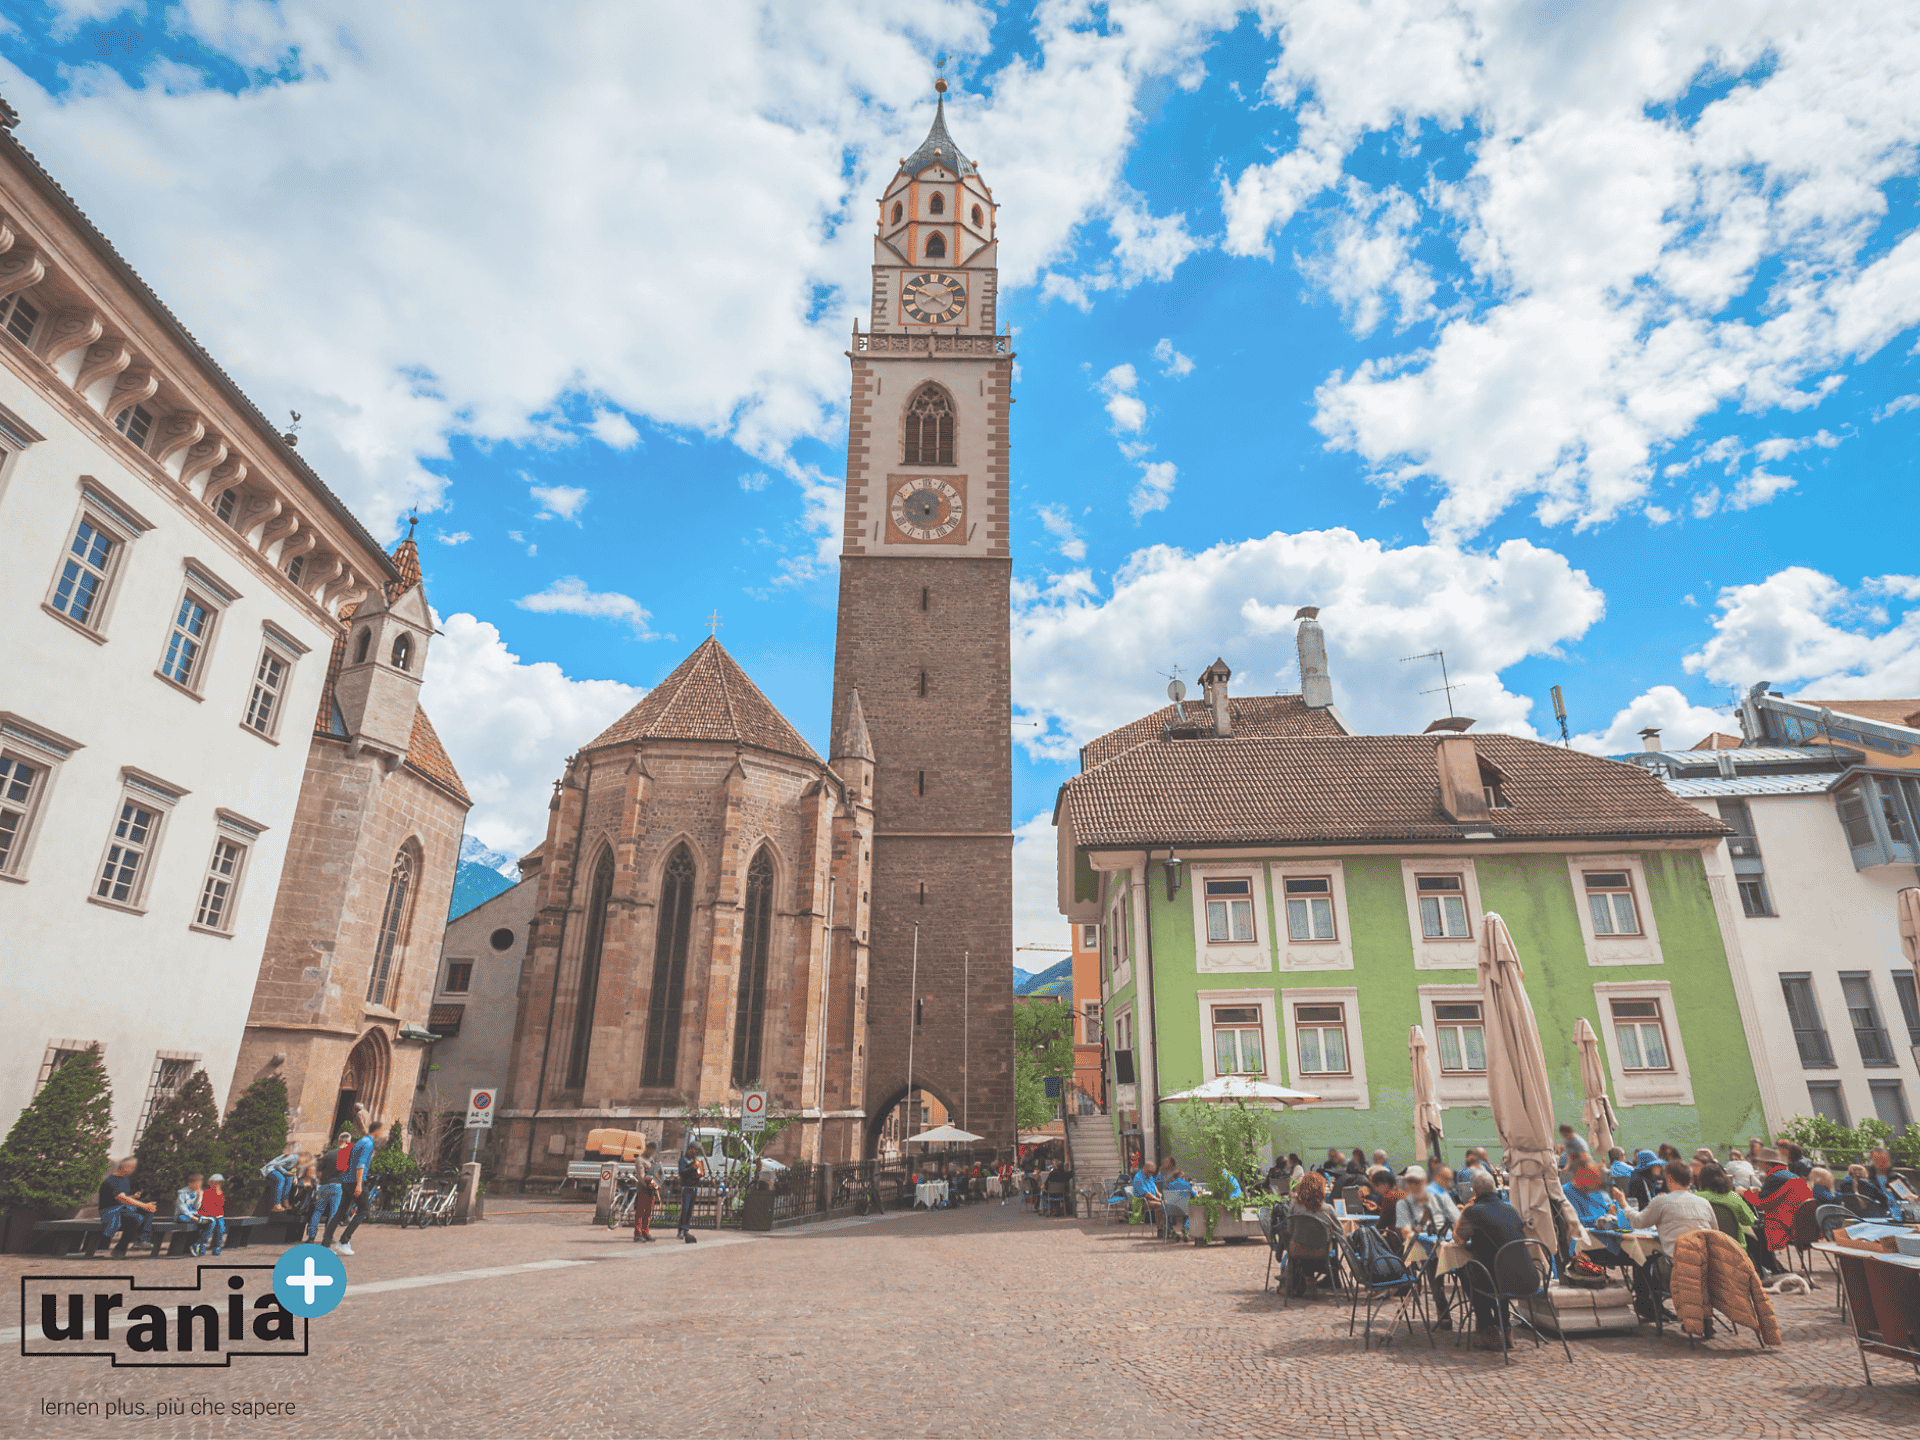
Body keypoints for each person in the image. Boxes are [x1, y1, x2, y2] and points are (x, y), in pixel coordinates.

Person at [1455, 1171, 1527, 1348]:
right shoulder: (1512, 1211)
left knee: (1464, 1269)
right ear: (1496, 1189)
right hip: (1522, 1276)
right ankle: (1506, 1327)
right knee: (1497, 1268)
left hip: (1491, 1278)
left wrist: (1464, 1211)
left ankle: (1488, 1329)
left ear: (1475, 1192)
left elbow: (1459, 1239)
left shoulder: (1473, 1211)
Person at [1396, 1166, 1460, 1329]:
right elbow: (1406, 1233)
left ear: (1424, 1182)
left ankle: (1483, 1316)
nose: (1413, 1185)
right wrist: (1422, 1225)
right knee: (1432, 1266)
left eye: (1416, 1182)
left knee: (1470, 1265)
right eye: (1410, 1182)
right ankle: (1443, 1312)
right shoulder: (1403, 1205)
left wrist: (1455, 1234)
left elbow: (1457, 1220)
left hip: (1449, 1242)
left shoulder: (1439, 1197)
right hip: (1425, 1247)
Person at [1615, 1158, 1716, 1252]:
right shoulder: (1704, 1203)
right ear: (1690, 1180)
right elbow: (1715, 1232)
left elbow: (1638, 1222)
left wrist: (1623, 1203)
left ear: (1669, 1178)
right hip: (1702, 1264)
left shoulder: (1661, 1201)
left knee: (1648, 1257)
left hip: (1674, 1263)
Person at [1697, 1160, 1775, 1276]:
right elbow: (1750, 1220)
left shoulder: (1696, 1198)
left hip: (1705, 1247)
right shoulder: (1733, 1197)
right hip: (1735, 1247)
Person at [325, 1120, 385, 1255]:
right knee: (364, 1209)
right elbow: (361, 1165)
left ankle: (326, 1243)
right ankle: (344, 1241)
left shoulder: (360, 1141)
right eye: (381, 1130)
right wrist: (359, 1184)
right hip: (355, 1180)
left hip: (346, 1179)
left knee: (340, 1211)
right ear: (377, 1130)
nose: (382, 1133)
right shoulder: (369, 1143)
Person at [1284, 1172, 1335, 1297]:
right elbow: (1340, 1231)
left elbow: (1289, 1229)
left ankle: (1304, 1284)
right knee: (1321, 1244)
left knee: (1303, 1243)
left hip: (1297, 1250)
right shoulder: (1327, 1209)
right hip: (1321, 1251)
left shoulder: (1294, 1205)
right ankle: (1332, 1277)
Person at [97, 1157, 156, 1258]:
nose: (133, 1170)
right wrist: (145, 1205)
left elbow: (121, 1197)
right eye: (132, 1168)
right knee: (136, 1218)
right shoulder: (111, 1181)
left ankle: (141, 1240)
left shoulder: (124, 1180)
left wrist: (133, 1198)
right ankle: (120, 1249)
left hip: (121, 1209)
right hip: (110, 1212)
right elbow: (121, 1199)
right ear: (126, 1167)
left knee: (146, 1211)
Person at [307, 1135, 349, 1245]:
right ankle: (327, 1237)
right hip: (337, 1186)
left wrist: (323, 1180)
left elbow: (319, 1172)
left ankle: (311, 1237)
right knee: (333, 1213)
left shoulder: (328, 1154)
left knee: (318, 1211)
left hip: (324, 1185)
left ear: (339, 1141)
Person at [677, 1140, 708, 1243]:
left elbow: (699, 1173)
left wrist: (701, 1172)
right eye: (695, 1150)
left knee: (690, 1210)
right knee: (685, 1209)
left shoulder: (696, 1160)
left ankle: (686, 1229)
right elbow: (682, 1172)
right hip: (686, 1187)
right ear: (691, 1149)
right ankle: (681, 1230)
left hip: (694, 1187)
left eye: (697, 1151)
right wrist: (691, 1168)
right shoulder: (683, 1160)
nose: (696, 1152)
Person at [631, 1141, 661, 1243]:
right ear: (647, 1148)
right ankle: (638, 1234)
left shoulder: (651, 1159)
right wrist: (648, 1184)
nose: (652, 1152)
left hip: (651, 1188)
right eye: (651, 1150)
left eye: (654, 1151)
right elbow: (641, 1176)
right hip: (643, 1188)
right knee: (640, 1211)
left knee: (648, 1212)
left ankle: (645, 1232)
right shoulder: (640, 1159)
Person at [260, 1143, 301, 1212]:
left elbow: (292, 1168)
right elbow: (277, 1165)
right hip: (270, 1169)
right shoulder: (293, 1157)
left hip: (278, 1170)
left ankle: (284, 1201)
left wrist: (294, 1177)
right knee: (281, 1179)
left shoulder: (297, 1159)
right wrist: (287, 1173)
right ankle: (276, 1204)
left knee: (289, 1178)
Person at [176, 1174, 206, 1255]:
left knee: (210, 1222)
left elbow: (196, 1207)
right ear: (190, 1183)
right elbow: (182, 1208)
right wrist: (192, 1217)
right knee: (189, 1221)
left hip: (193, 1215)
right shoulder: (182, 1192)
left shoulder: (198, 1192)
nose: (199, 1185)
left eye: (200, 1183)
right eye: (197, 1183)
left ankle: (198, 1245)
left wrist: (198, 1198)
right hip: (182, 1215)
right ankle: (188, 1247)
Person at [199, 1174, 228, 1256]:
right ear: (210, 1183)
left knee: (221, 1228)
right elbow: (205, 1206)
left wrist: (218, 1195)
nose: (218, 1185)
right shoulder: (206, 1193)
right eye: (216, 1183)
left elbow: (220, 1206)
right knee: (211, 1225)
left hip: (218, 1216)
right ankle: (202, 1245)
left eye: (219, 1183)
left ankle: (216, 1247)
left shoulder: (220, 1193)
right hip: (208, 1215)